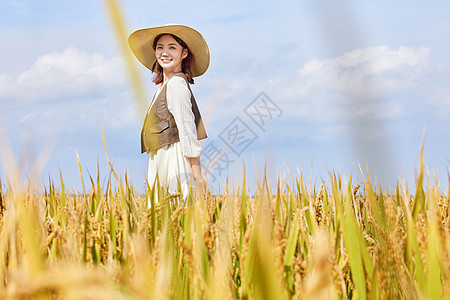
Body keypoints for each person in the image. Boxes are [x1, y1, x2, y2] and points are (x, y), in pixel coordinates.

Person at [128, 24, 209, 204]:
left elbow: (187, 129)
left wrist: (197, 174)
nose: (165, 53)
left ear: (184, 53)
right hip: (161, 157)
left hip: (175, 158)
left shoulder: (176, 85)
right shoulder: (162, 87)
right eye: (160, 47)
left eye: (172, 47)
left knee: (177, 212)